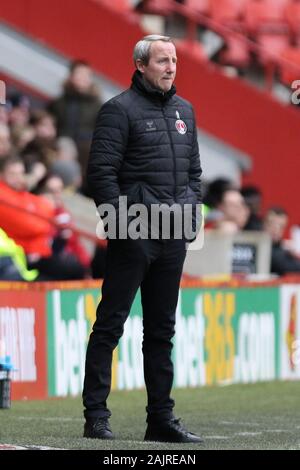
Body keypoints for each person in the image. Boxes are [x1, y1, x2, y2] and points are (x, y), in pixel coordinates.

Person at [83, 35, 203, 443]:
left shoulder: (186, 110)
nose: (170, 67)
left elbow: (194, 175)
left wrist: (191, 217)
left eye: (174, 60)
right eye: (162, 61)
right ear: (140, 66)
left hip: (173, 239)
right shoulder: (118, 110)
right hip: (134, 236)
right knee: (109, 327)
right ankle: (96, 416)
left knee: (161, 332)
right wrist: (124, 229)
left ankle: (160, 420)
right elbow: (100, 175)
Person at [264, 206, 300, 275]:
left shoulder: (283, 248)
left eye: (281, 226)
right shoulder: (256, 244)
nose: (276, 230)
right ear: (264, 224)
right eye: (272, 224)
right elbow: (284, 265)